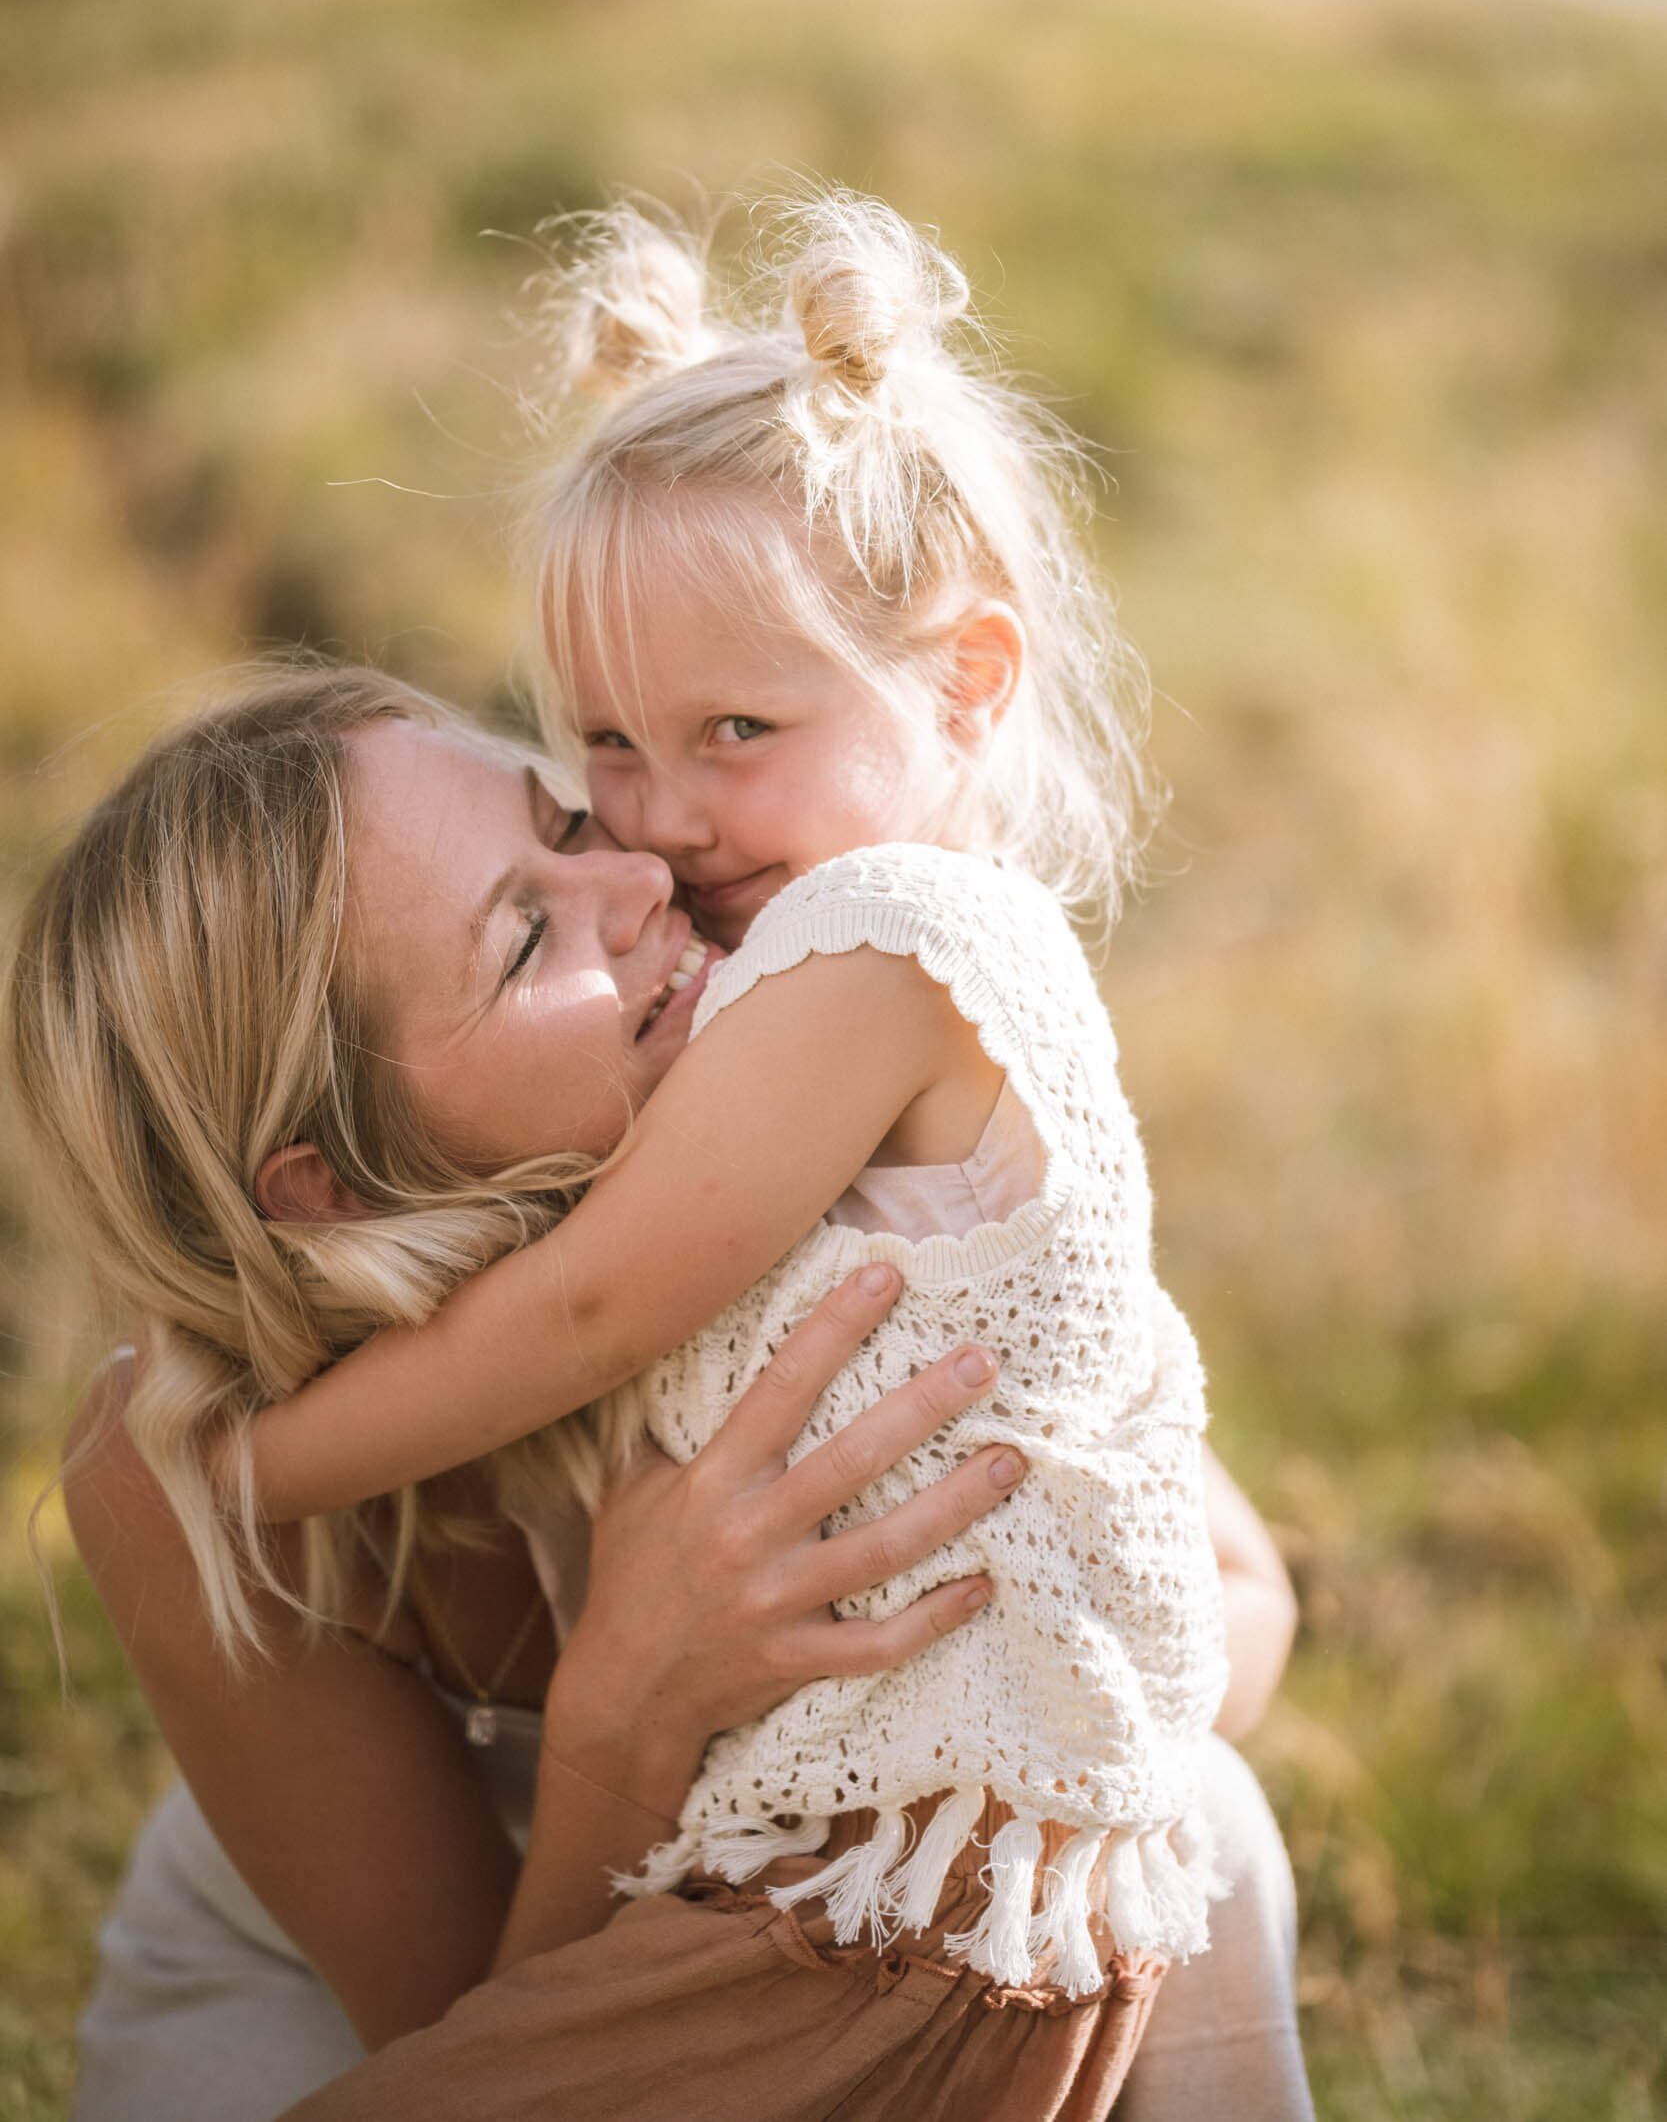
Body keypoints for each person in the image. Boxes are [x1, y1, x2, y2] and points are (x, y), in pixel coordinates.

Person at [233, 194, 1316, 2114]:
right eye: (608, 743)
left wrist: (258, 1463)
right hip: (836, 1882)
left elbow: (580, 1304)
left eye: (738, 727)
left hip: (880, 1913)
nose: (661, 820)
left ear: (967, 686)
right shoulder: (794, 958)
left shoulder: (891, 942)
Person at [10, 667, 1309, 2122]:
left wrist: (979, 1667)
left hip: (811, 1942)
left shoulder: (794, 1132)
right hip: (352, 2010)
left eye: (567, 821)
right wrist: (624, 1711)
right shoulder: (197, 1467)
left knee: (1191, 1818)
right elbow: (478, 2051)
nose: (638, 877)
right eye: (522, 936)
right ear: (337, 1180)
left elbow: (1239, 1595)